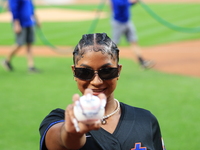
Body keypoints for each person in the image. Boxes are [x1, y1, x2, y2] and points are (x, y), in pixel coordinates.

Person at [39, 33, 166, 150]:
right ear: (74, 72)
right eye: (85, 72)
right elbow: (59, 139)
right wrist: (73, 134)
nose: (96, 81)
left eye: (106, 71)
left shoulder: (145, 120)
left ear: (118, 71)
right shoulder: (59, 120)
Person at [110, 0, 154, 69]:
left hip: (127, 22)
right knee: (115, 44)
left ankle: (142, 62)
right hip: (118, 23)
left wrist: (134, 2)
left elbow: (128, 4)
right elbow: (121, 4)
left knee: (133, 41)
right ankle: (109, 64)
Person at [2, 0, 40, 72]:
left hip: (29, 22)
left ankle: (31, 66)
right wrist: (16, 23)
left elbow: (31, 7)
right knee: (19, 43)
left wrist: (36, 19)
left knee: (29, 44)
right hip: (21, 23)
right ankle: (7, 60)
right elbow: (14, 9)